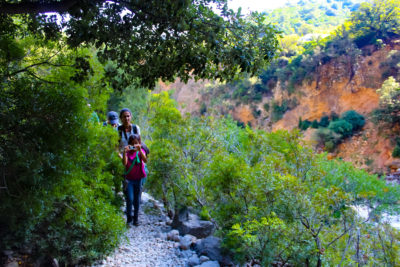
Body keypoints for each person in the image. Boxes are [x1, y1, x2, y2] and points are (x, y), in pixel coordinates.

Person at [123, 134, 147, 226]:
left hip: (138, 179)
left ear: (139, 143)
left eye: (136, 143)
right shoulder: (127, 153)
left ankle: (136, 219)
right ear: (129, 144)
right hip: (129, 180)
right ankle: (129, 219)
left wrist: (140, 150)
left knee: (137, 200)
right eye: (132, 144)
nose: (134, 146)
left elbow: (145, 160)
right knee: (130, 198)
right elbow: (124, 163)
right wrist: (124, 152)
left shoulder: (141, 152)